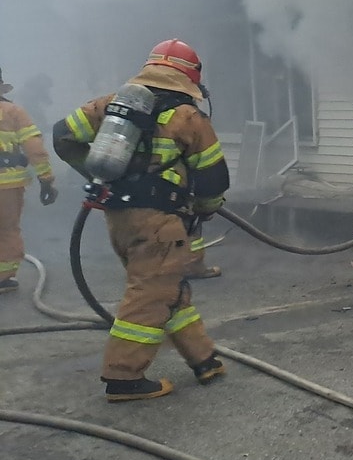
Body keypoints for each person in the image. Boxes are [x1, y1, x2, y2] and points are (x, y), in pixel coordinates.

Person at [54, 40, 230, 402]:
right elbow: (213, 178)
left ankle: (204, 359)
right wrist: (207, 207)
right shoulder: (188, 117)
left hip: (119, 218)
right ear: (190, 76)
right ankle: (124, 378)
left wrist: (99, 174)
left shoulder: (111, 105)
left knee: (167, 289)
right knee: (149, 296)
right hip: (160, 223)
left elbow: (62, 135)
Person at [0, 68, 59, 295]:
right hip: (7, 187)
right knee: (6, 229)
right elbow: (34, 148)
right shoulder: (14, 112)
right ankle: (3, 279)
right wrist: (46, 180)